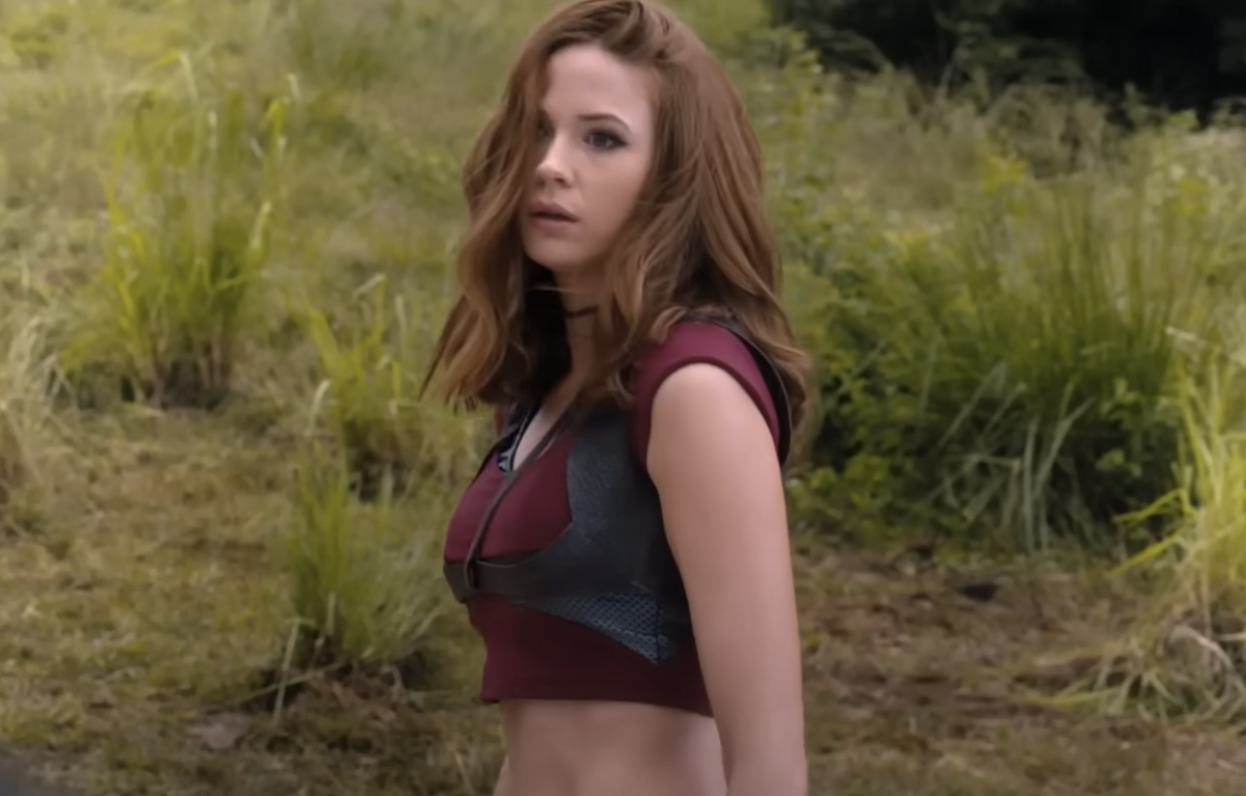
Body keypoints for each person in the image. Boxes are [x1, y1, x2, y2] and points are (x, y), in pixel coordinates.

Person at [424, 1, 810, 794]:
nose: (549, 165)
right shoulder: (542, 394)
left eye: (601, 139)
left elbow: (770, 759)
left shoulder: (696, 390)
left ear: (673, 177)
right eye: (537, 130)